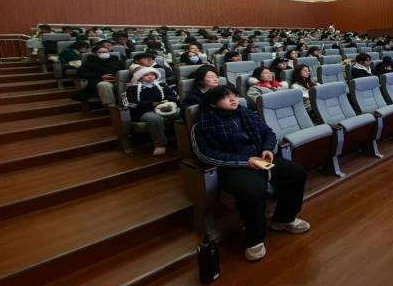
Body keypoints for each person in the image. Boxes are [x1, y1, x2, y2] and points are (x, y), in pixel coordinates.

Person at [191, 86, 310, 261]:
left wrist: (267, 148)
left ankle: (284, 220)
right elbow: (205, 154)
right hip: (234, 166)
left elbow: (268, 133)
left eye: (234, 95)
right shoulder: (202, 125)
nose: (233, 99)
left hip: (260, 157)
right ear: (213, 103)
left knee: (297, 173)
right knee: (253, 191)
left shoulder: (246, 113)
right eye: (226, 97)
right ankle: (254, 239)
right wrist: (245, 161)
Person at [124, 67, 178, 155]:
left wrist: (167, 102)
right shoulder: (132, 88)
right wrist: (151, 104)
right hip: (145, 111)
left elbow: (173, 96)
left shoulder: (162, 85)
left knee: (180, 112)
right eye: (146, 75)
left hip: (164, 107)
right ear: (140, 77)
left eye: (152, 74)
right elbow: (130, 104)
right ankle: (160, 145)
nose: (150, 76)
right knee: (155, 119)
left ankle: (182, 138)